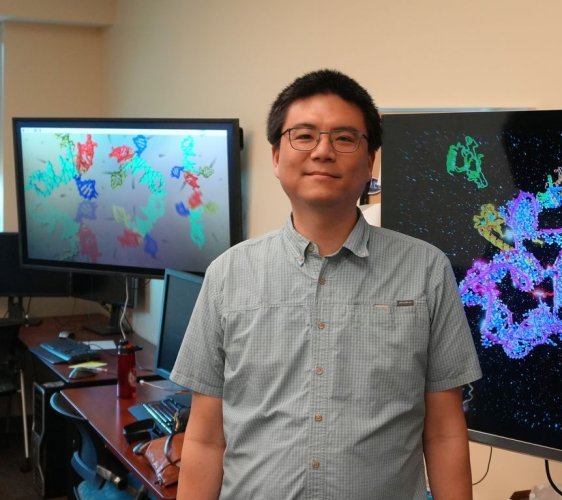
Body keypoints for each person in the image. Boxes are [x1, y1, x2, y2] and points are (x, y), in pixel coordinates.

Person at [171, 69, 482, 499]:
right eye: (304, 135)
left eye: (344, 138)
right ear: (277, 156)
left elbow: (445, 432)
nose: (323, 151)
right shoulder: (227, 275)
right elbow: (205, 439)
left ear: (370, 160)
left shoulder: (426, 270)